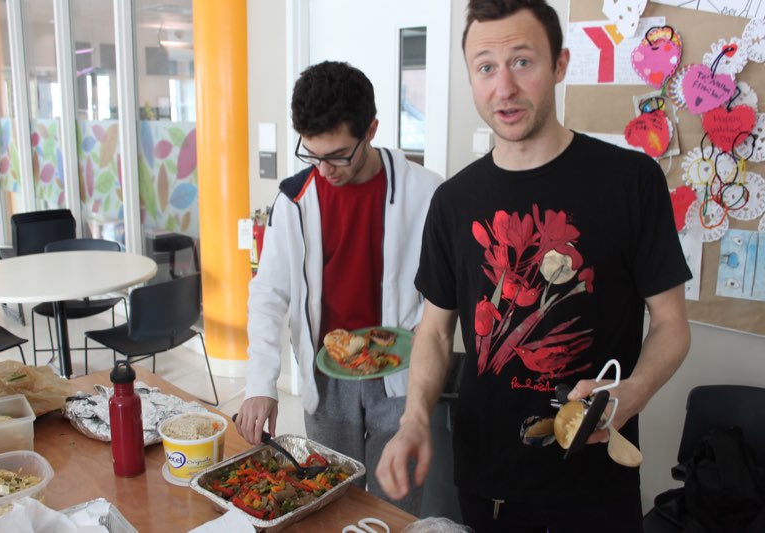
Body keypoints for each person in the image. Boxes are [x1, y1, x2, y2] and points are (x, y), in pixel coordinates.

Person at [375, 1, 692, 531]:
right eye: (486, 67)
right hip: (488, 475)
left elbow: (671, 323)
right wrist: (413, 420)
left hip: (595, 480)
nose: (504, 88)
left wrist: (631, 395)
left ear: (560, 65)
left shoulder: (632, 181)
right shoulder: (454, 201)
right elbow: (433, 329)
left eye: (522, 61)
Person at [234, 60, 443, 514]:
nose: (325, 169)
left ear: (371, 130)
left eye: (338, 155)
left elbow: (440, 299)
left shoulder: (425, 193)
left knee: (396, 505)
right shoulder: (294, 200)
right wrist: (260, 382)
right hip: (325, 378)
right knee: (333, 499)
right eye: (312, 154)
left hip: (399, 371)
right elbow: (269, 293)